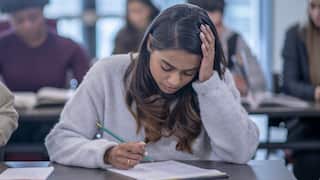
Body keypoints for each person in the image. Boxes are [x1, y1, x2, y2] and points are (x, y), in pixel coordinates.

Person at [46, 4, 259, 170]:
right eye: (166, 66)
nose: (174, 81)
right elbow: (60, 142)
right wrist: (106, 153)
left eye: (188, 72)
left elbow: (240, 153)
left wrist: (208, 84)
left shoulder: (214, 79)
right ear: (149, 44)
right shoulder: (108, 72)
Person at [0, 0, 90, 92]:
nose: (27, 25)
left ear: (42, 14)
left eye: (33, 17)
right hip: (14, 105)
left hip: (58, 105)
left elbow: (87, 88)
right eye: (19, 20)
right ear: (10, 20)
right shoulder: (2, 46)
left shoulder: (69, 47)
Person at [188, 0, 266, 96]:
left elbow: (260, 84)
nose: (214, 33)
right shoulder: (182, 42)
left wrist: (244, 85)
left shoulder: (234, 40)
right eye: (208, 27)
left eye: (218, 25)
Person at [282, 0, 320, 179]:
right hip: (305, 123)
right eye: (313, 7)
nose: (317, 12)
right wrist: (315, 92)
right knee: (310, 162)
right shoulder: (295, 35)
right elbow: (289, 84)